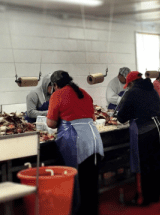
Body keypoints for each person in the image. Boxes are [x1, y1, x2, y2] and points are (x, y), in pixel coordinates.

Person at [46, 71, 104, 215]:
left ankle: (77, 211)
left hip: (75, 141)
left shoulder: (57, 95)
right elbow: (93, 118)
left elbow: (51, 123)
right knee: (90, 180)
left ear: (55, 85)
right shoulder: (84, 92)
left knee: (76, 180)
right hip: (94, 139)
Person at [116, 71, 160, 206]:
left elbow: (121, 117)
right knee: (156, 162)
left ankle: (143, 198)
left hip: (145, 131)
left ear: (131, 83)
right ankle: (156, 195)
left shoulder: (132, 92)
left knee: (144, 165)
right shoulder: (152, 89)